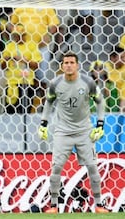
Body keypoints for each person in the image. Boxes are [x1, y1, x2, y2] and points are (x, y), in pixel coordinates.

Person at [38, 52, 109, 214]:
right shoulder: (55, 83)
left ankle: (99, 205)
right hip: (62, 132)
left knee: (92, 167)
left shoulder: (87, 82)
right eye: (65, 62)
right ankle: (54, 206)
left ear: (77, 65)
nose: (68, 65)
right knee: (56, 167)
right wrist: (43, 124)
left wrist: (100, 124)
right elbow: (48, 103)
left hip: (84, 131)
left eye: (71, 62)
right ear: (62, 66)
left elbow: (100, 102)